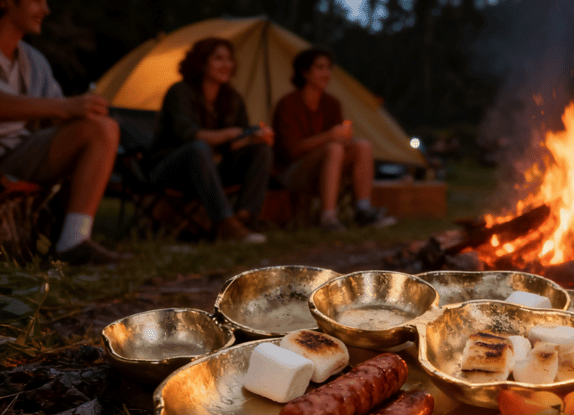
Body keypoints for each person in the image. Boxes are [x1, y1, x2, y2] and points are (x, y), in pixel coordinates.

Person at [0, 0, 129, 265]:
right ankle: (70, 241)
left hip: (23, 153)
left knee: (102, 128)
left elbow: (57, 114)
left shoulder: (33, 61)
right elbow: (55, 107)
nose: (45, 10)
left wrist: (82, 112)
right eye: (37, 0)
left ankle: (75, 239)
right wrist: (65, 107)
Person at [147, 37, 273, 244]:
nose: (226, 65)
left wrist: (254, 137)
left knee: (261, 150)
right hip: (172, 168)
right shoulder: (180, 92)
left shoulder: (232, 98)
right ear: (201, 62)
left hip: (213, 168)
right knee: (198, 148)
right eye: (218, 59)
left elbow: (237, 140)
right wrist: (230, 134)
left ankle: (245, 218)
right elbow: (187, 134)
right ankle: (226, 223)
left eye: (229, 59)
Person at [272, 48, 394, 232]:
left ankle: (362, 209)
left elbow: (339, 144)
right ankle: (328, 217)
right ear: (305, 73)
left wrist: (343, 138)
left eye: (328, 68)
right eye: (320, 68)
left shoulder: (331, 103)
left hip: (327, 167)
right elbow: (291, 150)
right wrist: (329, 137)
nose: (326, 73)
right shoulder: (288, 104)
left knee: (362, 145)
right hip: (292, 171)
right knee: (333, 148)